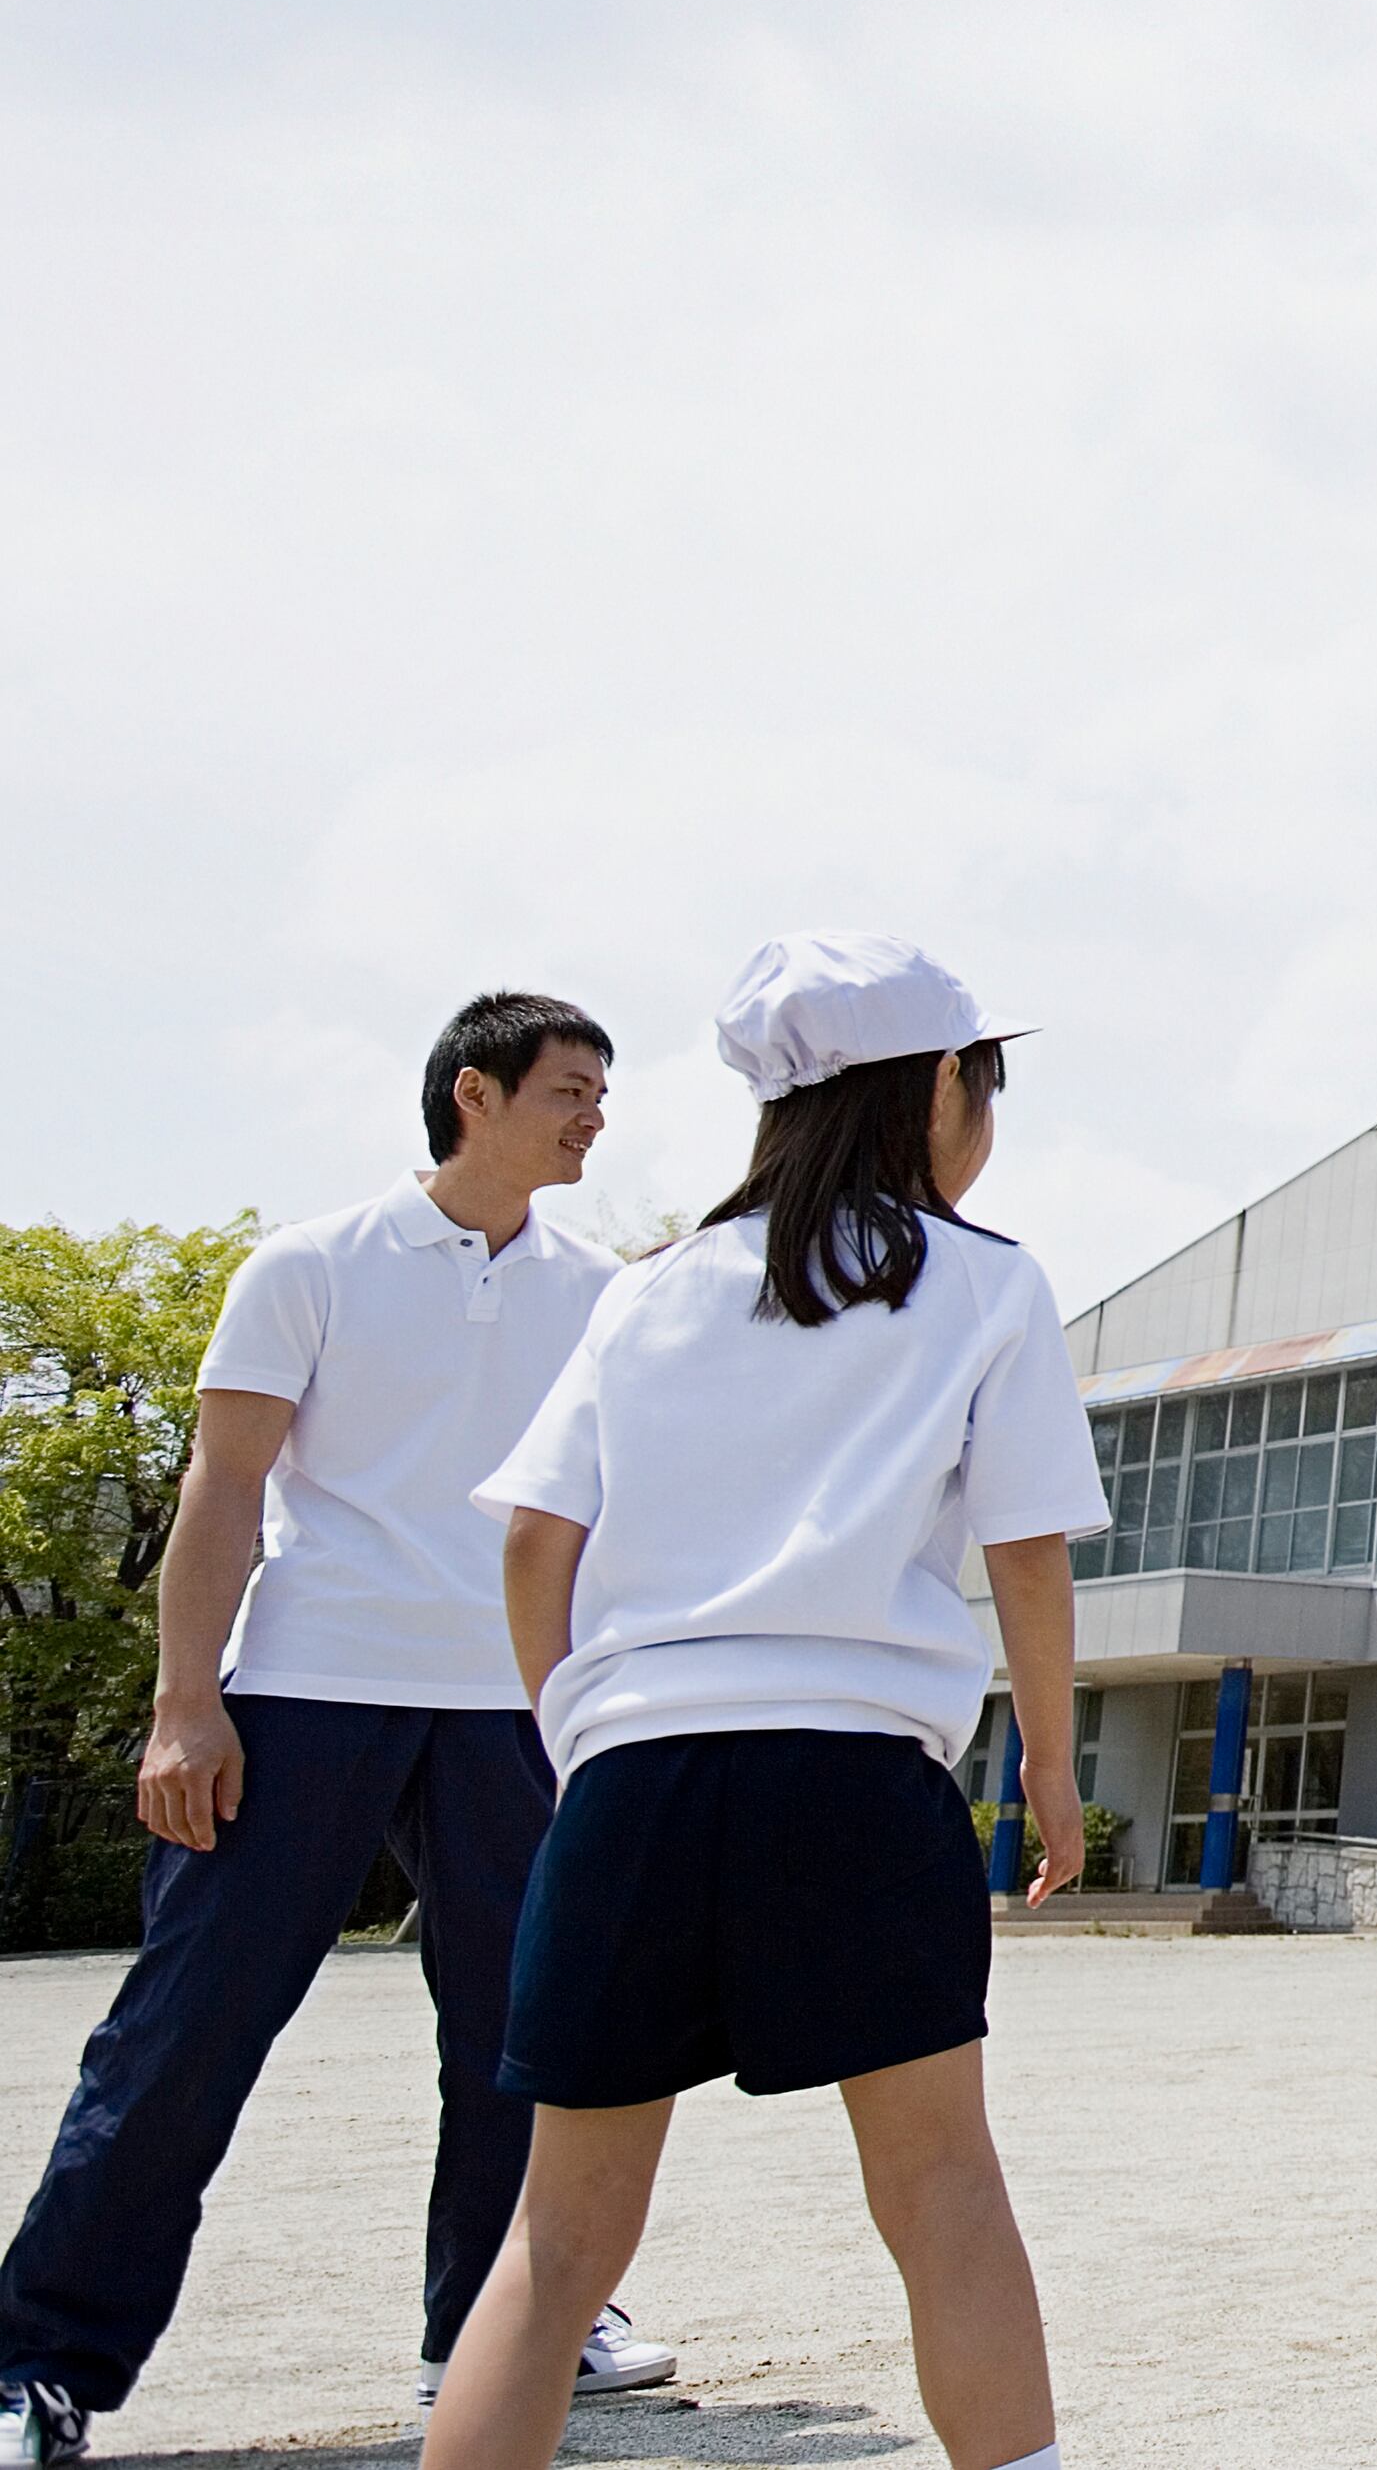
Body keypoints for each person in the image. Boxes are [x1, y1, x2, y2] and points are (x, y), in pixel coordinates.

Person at [418, 935, 1105, 2470]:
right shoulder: (985, 1283)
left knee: (559, 2241)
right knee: (942, 2195)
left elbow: (537, 1541)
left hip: (635, 1776)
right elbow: (1028, 1552)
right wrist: (1048, 1769)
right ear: (936, 1088)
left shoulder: (649, 1294)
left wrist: (579, 1733)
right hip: (856, 1777)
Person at [0, 993, 681, 2465]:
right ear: (474, 1094)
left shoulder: (605, 1293)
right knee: (185, 2033)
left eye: (603, 1094)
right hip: (308, 1687)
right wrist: (186, 1707)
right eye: (571, 1089)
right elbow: (221, 1492)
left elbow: (616, 1519)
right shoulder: (308, 1264)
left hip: (513, 1706)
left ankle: (489, 2338)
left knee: (524, 2036)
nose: (595, 1117)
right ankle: (38, 2363)